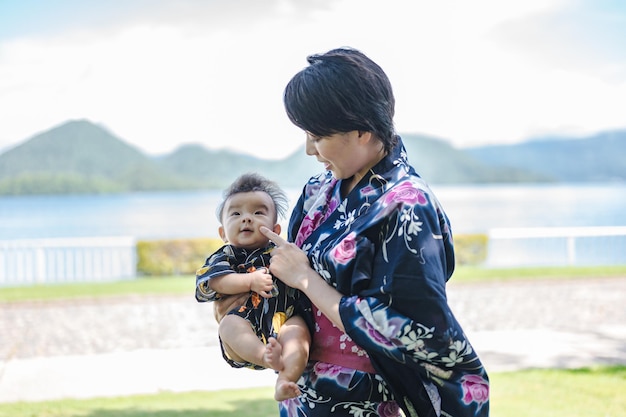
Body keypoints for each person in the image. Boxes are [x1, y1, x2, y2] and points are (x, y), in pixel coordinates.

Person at [259, 48, 490, 416]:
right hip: (303, 393)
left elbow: (411, 328)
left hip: (367, 399)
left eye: (317, 136)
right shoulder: (318, 192)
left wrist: (304, 277)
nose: (308, 150)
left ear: (363, 130)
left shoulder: (407, 204)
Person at [195, 173, 312, 401]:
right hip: (244, 327)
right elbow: (215, 282)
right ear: (222, 233)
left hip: (284, 319)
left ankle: (284, 380)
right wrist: (250, 281)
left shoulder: (281, 253)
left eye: (258, 212)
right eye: (236, 213)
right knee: (228, 324)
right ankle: (264, 356)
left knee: (299, 333)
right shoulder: (226, 256)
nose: (247, 218)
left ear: (276, 230)